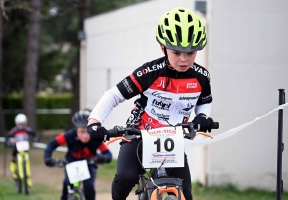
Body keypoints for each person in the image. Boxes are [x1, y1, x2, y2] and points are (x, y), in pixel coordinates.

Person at [87, 7, 216, 200]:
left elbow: (204, 102)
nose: (184, 59)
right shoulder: (149, 73)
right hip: (140, 134)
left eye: (191, 53)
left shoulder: (201, 77)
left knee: (186, 194)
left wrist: (202, 116)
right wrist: (94, 123)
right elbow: (113, 95)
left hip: (172, 139)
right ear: (163, 48)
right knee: (125, 178)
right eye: (176, 52)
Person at [44, 110, 112, 200]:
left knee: (89, 187)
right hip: (71, 163)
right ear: (76, 130)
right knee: (67, 184)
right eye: (81, 131)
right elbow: (51, 144)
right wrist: (47, 158)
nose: (85, 135)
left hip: (89, 164)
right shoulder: (69, 135)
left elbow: (108, 154)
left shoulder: (95, 138)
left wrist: (103, 158)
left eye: (87, 131)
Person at [5, 113, 40, 186]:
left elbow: (36, 134)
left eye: (23, 124)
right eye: (19, 124)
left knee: (27, 161)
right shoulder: (14, 130)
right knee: (14, 155)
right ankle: (14, 169)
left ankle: (28, 178)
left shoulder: (27, 130)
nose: (21, 126)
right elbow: (7, 136)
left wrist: (36, 139)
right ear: (16, 124)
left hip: (25, 148)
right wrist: (7, 142)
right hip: (16, 147)